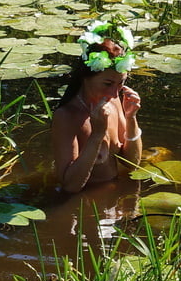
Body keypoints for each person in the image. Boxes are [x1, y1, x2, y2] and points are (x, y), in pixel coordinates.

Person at [52, 20, 143, 193]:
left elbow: (132, 163)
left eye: (121, 83)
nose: (114, 94)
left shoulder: (113, 101)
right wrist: (97, 135)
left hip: (114, 194)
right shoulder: (66, 116)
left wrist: (131, 118)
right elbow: (70, 186)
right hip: (83, 203)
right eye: (107, 83)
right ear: (85, 77)